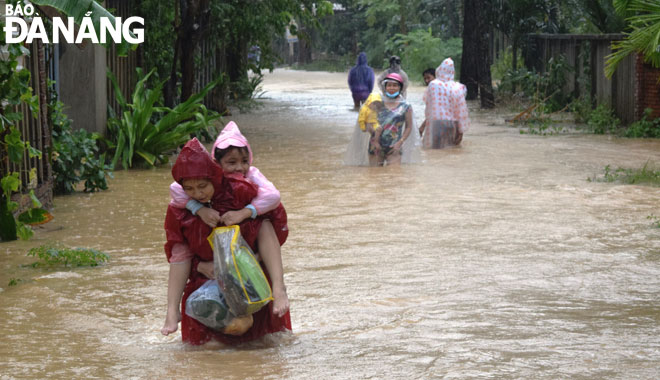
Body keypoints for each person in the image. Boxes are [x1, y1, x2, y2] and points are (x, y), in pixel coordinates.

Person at [162, 138, 291, 345]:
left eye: (203, 186)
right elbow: (178, 254)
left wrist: (245, 214)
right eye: (190, 189)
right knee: (205, 354)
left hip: (248, 277)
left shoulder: (244, 191)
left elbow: (273, 214)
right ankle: (171, 310)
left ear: (215, 177)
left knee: (264, 347)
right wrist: (198, 210)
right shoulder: (182, 207)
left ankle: (279, 288)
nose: (198, 193)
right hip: (205, 281)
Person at [370, 72, 419, 166]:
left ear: (400, 88)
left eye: (395, 85)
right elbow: (368, 122)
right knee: (374, 176)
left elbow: (409, 127)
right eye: (389, 85)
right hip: (376, 145)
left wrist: (400, 142)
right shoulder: (377, 103)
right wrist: (375, 140)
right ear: (385, 87)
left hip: (394, 146)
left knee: (393, 177)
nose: (392, 88)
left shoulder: (406, 106)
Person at [421, 58, 470, 149]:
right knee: (451, 149)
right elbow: (461, 111)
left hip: (437, 123)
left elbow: (429, 109)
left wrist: (423, 127)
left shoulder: (434, 85)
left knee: (435, 151)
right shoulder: (459, 87)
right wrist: (461, 131)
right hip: (453, 123)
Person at [344, 92, 384, 166]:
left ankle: (376, 144)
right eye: (373, 103)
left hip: (375, 124)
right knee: (377, 131)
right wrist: (363, 128)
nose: (375, 106)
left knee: (379, 130)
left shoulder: (376, 109)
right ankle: (375, 143)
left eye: (377, 104)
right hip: (370, 125)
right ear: (369, 102)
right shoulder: (365, 109)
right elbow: (361, 120)